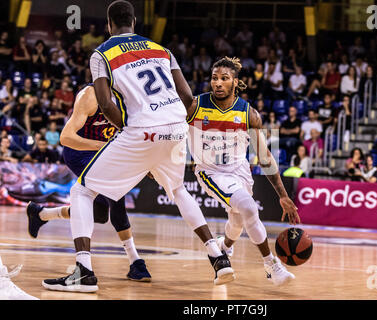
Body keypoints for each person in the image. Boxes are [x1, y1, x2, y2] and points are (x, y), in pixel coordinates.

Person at [42, 0, 233, 292]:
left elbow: (105, 103)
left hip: (143, 129)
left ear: (109, 25)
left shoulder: (102, 53)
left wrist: (128, 132)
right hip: (176, 126)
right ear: (134, 23)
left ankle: (83, 271)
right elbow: (187, 96)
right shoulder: (161, 49)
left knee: (82, 190)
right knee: (178, 190)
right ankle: (218, 257)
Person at [186, 56, 299, 286]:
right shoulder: (195, 106)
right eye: (214, 78)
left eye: (224, 79)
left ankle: (224, 247)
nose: (218, 83)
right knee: (248, 206)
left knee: (238, 221)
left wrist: (283, 195)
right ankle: (272, 265)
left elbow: (265, 157)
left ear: (235, 82)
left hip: (240, 170)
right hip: (211, 171)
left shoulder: (249, 114)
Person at [27, 84, 152, 284]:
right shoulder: (90, 94)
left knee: (100, 215)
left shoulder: (130, 95)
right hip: (80, 153)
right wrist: (105, 147)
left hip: (105, 153)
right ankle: (135, 261)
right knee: (115, 197)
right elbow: (66, 137)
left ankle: (42, 214)